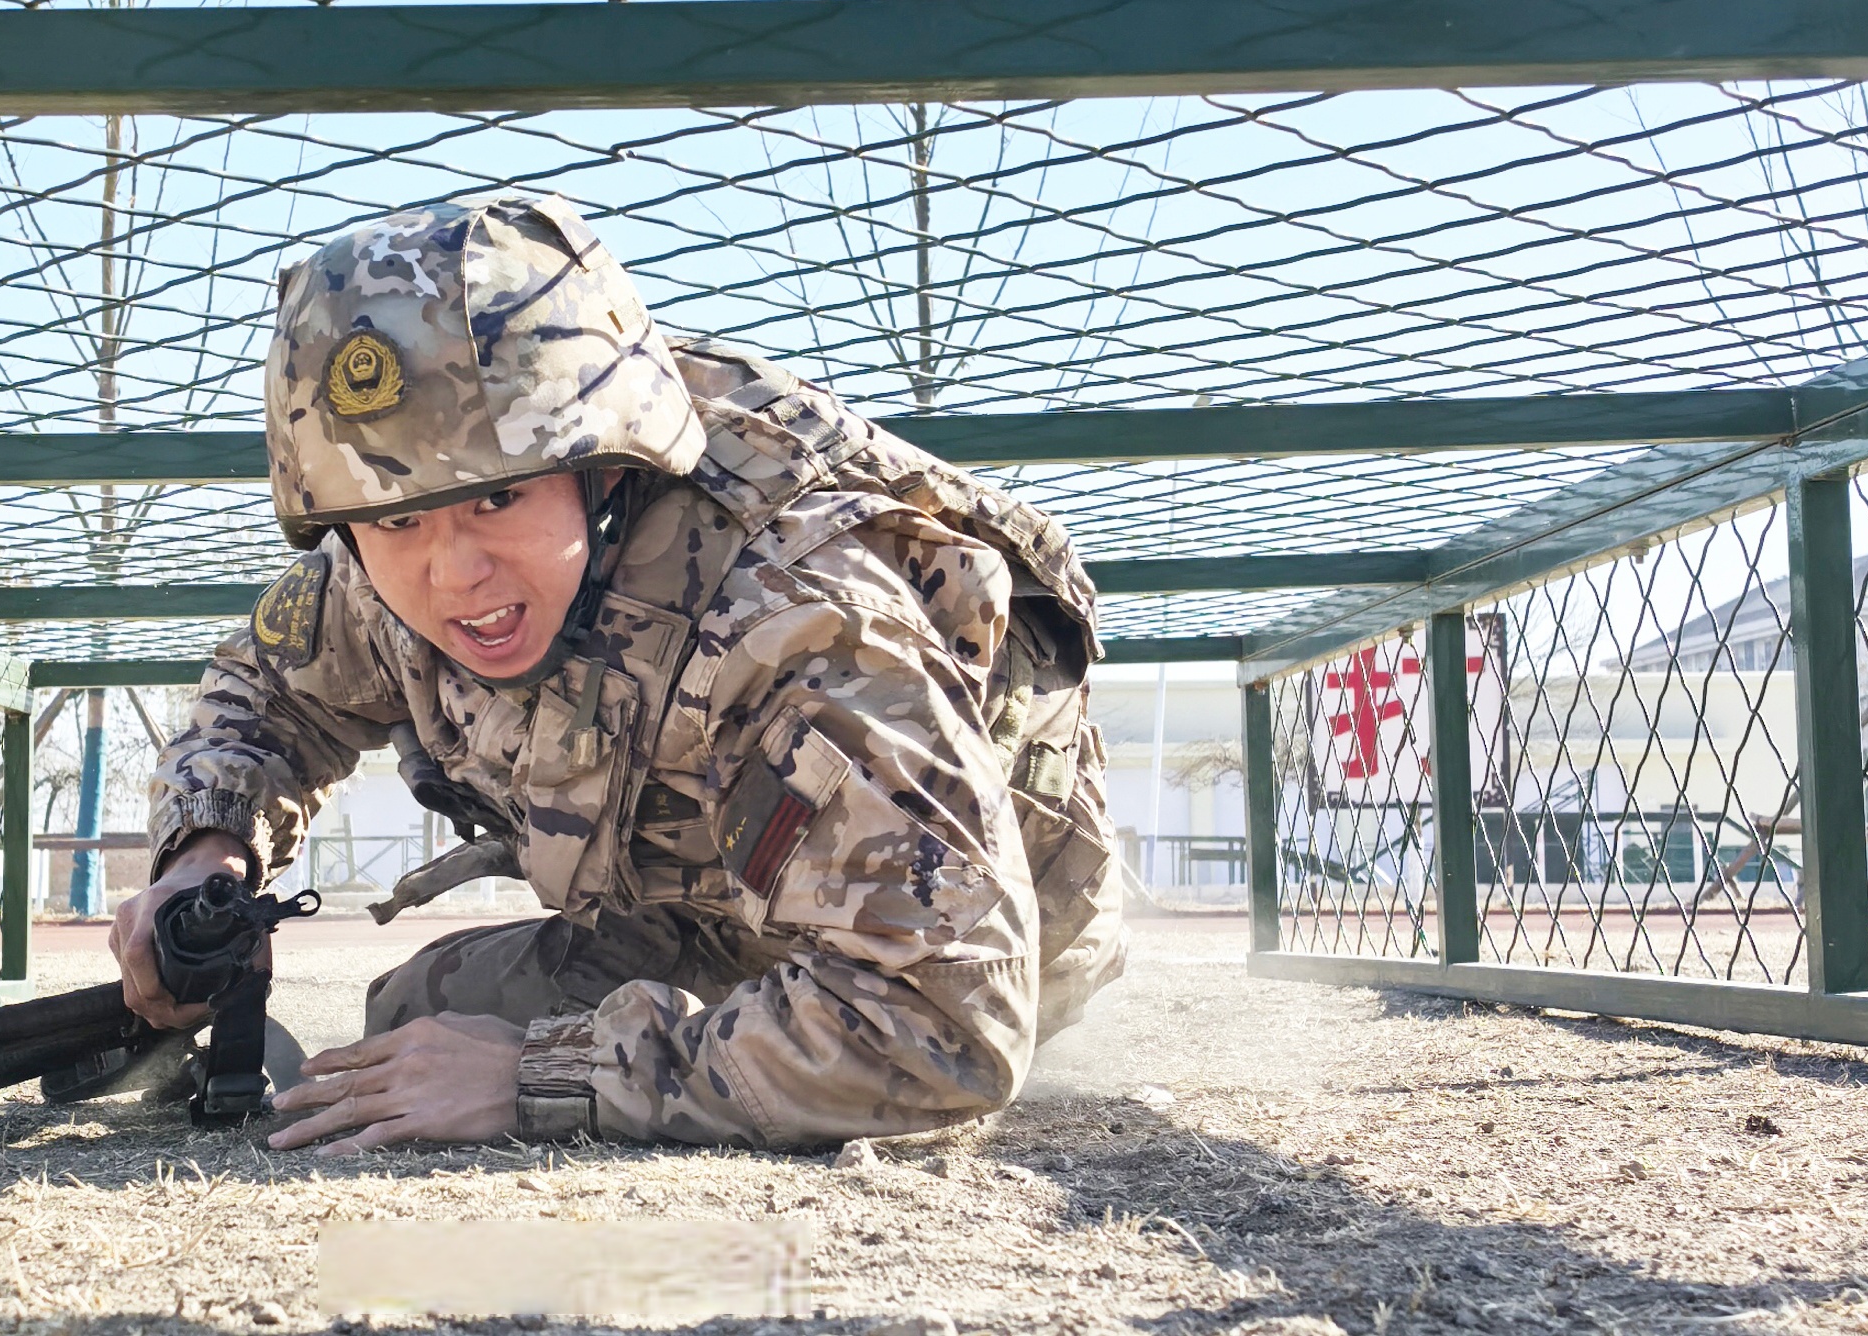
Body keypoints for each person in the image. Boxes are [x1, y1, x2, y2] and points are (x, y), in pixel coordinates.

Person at [108, 194, 1122, 1152]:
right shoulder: (388, 541)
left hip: (947, 935)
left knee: (480, 1061)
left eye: (498, 504)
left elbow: (945, 1020)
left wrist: (547, 1078)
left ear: (604, 468)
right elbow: (272, 693)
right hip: (717, 911)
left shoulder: (796, 612)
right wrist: (208, 854)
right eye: (397, 523)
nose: (453, 571)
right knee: (413, 1023)